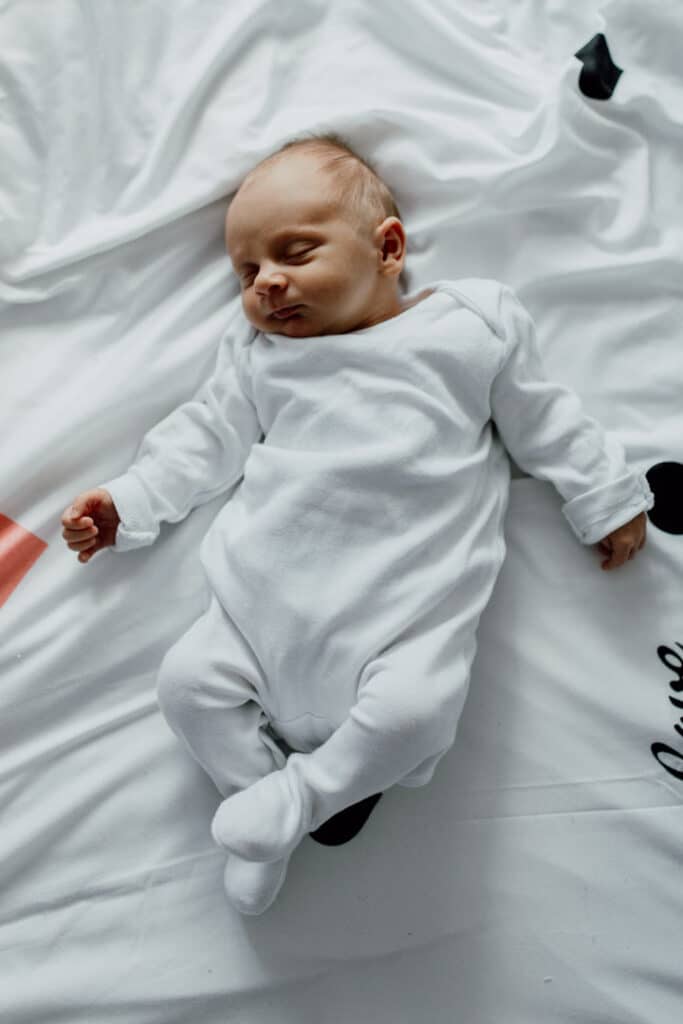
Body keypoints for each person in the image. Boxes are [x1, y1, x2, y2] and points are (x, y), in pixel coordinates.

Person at [60, 132, 653, 915]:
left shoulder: (466, 328)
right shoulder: (260, 357)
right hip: (255, 613)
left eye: (293, 253)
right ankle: (259, 801)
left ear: (389, 247)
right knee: (186, 687)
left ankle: (302, 800)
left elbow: (545, 417)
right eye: (246, 271)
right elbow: (201, 442)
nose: (267, 283)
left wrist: (602, 496)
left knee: (415, 717)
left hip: (400, 620)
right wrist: (126, 503)